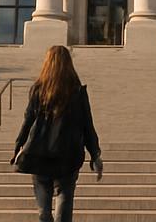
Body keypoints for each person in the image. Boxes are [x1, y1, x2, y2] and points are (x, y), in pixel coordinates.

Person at [12, 45, 103, 222]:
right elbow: (87, 125)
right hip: (68, 156)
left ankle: (45, 217)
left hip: (40, 153)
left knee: (44, 212)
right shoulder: (77, 92)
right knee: (64, 205)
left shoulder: (39, 90)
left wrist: (18, 148)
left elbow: (28, 121)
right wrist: (95, 155)